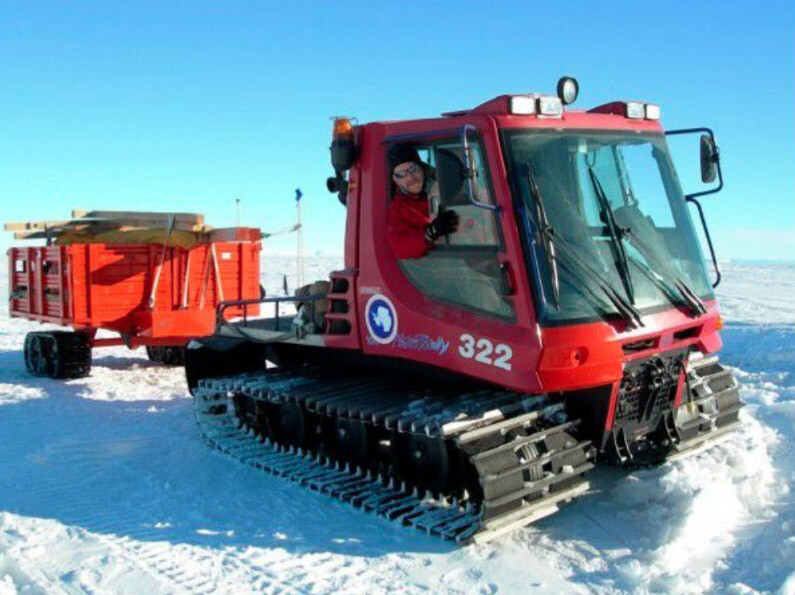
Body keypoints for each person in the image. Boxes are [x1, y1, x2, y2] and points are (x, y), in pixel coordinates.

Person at [387, 144, 459, 259]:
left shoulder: (446, 184)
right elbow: (400, 248)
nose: (410, 177)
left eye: (412, 169)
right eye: (402, 174)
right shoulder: (399, 208)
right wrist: (431, 233)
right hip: (442, 263)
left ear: (422, 167)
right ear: (395, 179)